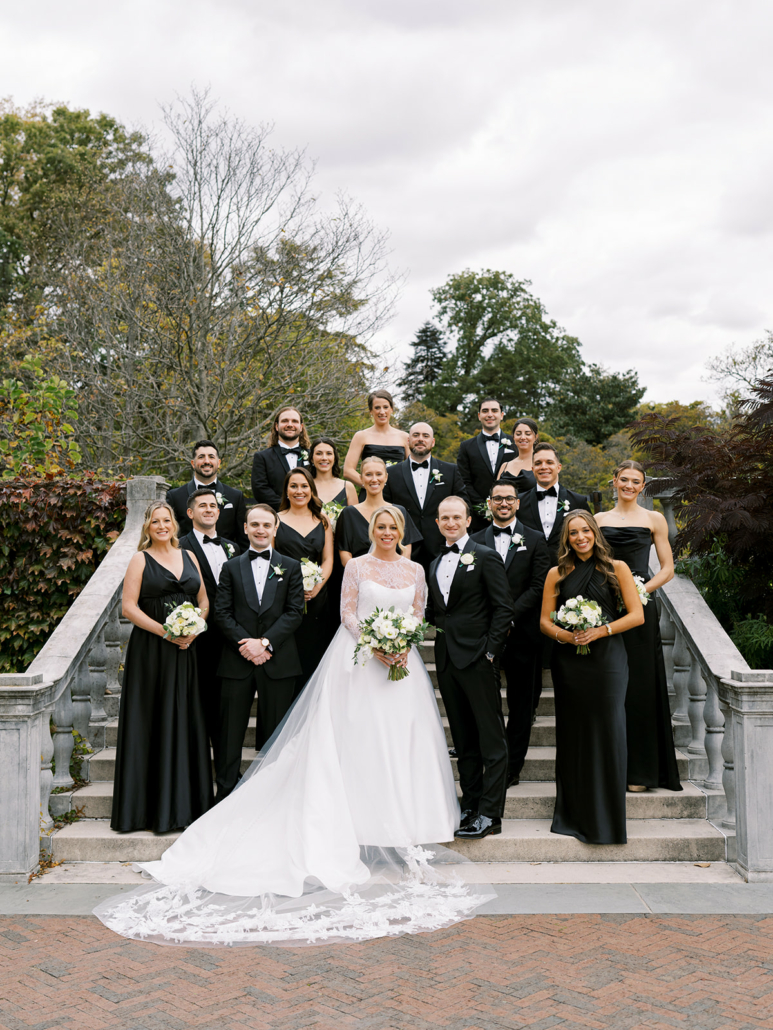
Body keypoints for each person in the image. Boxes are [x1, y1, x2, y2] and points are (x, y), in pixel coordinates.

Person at [94, 505, 492, 946]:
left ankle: (408, 817)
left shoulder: (418, 568)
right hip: (360, 660)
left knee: (404, 741)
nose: (384, 531)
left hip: (401, 666)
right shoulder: (355, 566)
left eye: (391, 526)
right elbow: (348, 613)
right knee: (356, 739)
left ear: (402, 531)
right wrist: (376, 644)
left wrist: (401, 643)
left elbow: (419, 612)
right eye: (378, 525)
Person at [540, 511, 644, 845]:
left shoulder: (618, 568)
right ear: (566, 539)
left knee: (610, 729)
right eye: (573, 533)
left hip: (608, 659)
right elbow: (544, 622)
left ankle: (608, 819)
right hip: (571, 662)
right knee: (574, 734)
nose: (580, 537)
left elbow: (637, 615)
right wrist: (567, 636)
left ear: (595, 533)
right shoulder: (556, 574)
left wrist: (601, 631)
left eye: (586, 530)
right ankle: (574, 815)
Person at [111, 502, 212, 833]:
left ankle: (186, 807)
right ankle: (148, 812)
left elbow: (205, 601)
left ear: (174, 524)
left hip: (187, 651)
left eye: (166, 520)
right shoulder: (139, 559)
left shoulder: (190, 556)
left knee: (185, 719)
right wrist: (166, 632)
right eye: (155, 521)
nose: (162, 525)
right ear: (147, 527)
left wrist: (194, 628)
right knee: (152, 720)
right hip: (152, 651)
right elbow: (128, 607)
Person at [426, 496, 514, 841]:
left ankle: (491, 814)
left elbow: (503, 609)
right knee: (463, 741)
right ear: (437, 523)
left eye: (456, 517)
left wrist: (491, 653)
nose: (450, 522)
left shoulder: (486, 556)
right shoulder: (434, 563)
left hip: (478, 659)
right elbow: (438, 612)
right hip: (447, 660)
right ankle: (470, 805)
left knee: (491, 741)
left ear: (467, 521)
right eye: (444, 518)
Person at [596, 461, 682, 793]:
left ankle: (642, 772)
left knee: (641, 685)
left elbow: (667, 569)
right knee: (607, 684)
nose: (629, 485)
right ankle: (607, 767)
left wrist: (638, 591)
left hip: (641, 608)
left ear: (642, 486)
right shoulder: (599, 520)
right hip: (605, 606)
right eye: (624, 480)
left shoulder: (654, 519)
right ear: (614, 481)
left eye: (636, 481)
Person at [213, 504, 304, 799]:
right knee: (229, 734)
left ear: (275, 529)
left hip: (278, 661)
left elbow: (294, 612)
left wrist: (264, 643)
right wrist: (247, 645)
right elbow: (222, 613)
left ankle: (273, 796)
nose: (261, 530)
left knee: (278, 734)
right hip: (236, 661)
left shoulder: (291, 566)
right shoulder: (230, 567)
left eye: (267, 525)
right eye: (255, 525)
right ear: (245, 528)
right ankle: (225, 793)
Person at [471, 481, 549, 787]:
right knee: (486, 704)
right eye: (497, 498)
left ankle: (511, 768)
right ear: (489, 503)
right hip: (484, 634)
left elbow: (539, 585)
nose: (503, 503)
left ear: (517, 503)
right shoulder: (474, 540)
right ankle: (491, 758)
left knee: (520, 706)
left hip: (523, 634)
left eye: (509, 499)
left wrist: (509, 616)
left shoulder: (536, 538)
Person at [178, 489, 241, 755]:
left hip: (228, 639)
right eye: (202, 505)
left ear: (218, 511)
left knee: (226, 705)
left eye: (213, 505)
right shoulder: (179, 546)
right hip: (194, 639)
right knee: (197, 703)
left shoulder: (234, 547)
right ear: (190, 513)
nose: (209, 509)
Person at [275, 468, 335, 694]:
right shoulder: (276, 520)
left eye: (304, 486)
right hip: (284, 600)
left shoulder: (323, 520)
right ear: (286, 491)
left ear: (311, 489)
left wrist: (317, 585)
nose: (299, 491)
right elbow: (271, 560)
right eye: (293, 486)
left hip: (317, 599)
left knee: (313, 655)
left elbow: (328, 559)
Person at [383, 421, 468, 572]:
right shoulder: (391, 473)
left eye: (425, 436)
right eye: (416, 435)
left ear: (432, 442)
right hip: (403, 548)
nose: (420, 439)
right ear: (408, 441)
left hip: (441, 547)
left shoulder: (451, 471)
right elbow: (385, 510)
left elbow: (463, 507)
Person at [335, 455, 421, 565]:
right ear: (361, 478)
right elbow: (345, 555)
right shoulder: (348, 514)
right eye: (368, 474)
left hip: (394, 577)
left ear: (386, 477)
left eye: (379, 474)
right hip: (360, 578)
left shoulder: (399, 512)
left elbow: (406, 552)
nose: (374, 479)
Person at [517, 443, 591, 563]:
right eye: (538, 463)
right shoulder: (518, 502)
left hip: (569, 570)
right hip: (529, 573)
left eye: (549, 462)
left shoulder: (578, 501)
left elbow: (590, 537)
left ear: (559, 467)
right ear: (532, 469)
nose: (543, 467)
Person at [167, 440, 248, 549]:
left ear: (218, 463)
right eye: (201, 457)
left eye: (211, 457)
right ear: (193, 463)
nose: (206, 461)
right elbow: (171, 538)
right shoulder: (175, 497)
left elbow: (243, 541)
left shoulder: (235, 497)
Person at [456, 398, 515, 531]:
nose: (489, 414)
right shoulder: (466, 446)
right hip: (478, 519)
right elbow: (464, 481)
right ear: (479, 416)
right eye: (485, 411)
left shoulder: (515, 444)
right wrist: (484, 508)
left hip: (512, 514)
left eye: (494, 410)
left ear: (501, 415)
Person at [342, 389, 409, 497]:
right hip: (369, 495)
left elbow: (411, 470)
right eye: (377, 408)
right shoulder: (361, 436)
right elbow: (348, 470)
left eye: (385, 407)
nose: (382, 412)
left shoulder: (405, 437)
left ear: (392, 409)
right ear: (371, 411)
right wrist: (371, 485)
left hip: (396, 496)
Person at [251, 406, 311, 510]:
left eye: (294, 421)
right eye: (285, 421)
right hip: (276, 517)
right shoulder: (262, 457)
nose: (290, 424)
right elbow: (260, 490)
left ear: (301, 427)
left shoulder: (313, 456)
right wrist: (288, 507)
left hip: (309, 515)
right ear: (276, 426)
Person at [309, 436, 358, 509]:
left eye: (329, 453)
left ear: (334, 458)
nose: (324, 458)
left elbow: (354, 519)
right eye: (319, 453)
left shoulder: (348, 487)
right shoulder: (305, 486)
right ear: (312, 459)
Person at [497, 417, 539, 495]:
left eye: (528, 434)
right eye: (518, 434)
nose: (523, 437)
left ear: (535, 437)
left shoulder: (541, 464)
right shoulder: (505, 466)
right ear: (514, 437)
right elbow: (495, 494)